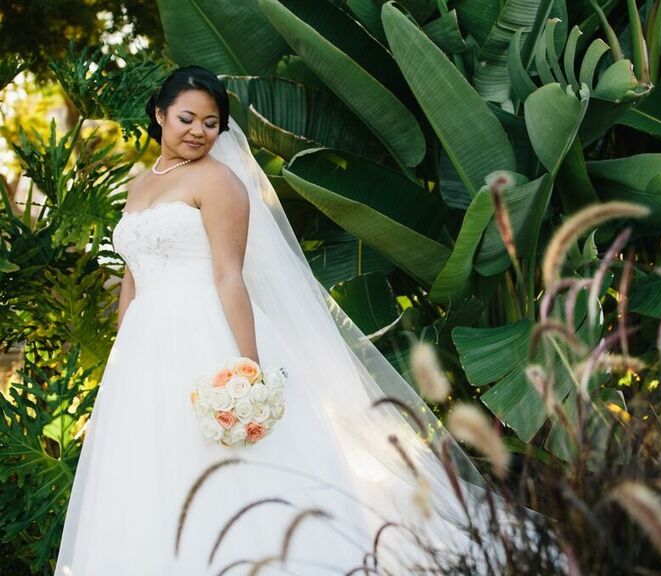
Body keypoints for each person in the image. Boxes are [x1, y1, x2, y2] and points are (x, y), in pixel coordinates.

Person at [53, 65, 502, 575]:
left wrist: (247, 366)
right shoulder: (138, 187)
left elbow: (228, 275)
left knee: (227, 461)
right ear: (160, 114)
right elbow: (132, 276)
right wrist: (123, 349)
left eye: (211, 122)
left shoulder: (219, 181)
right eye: (186, 118)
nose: (198, 131)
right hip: (144, 346)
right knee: (150, 462)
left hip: (203, 330)